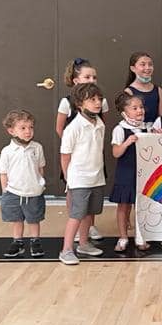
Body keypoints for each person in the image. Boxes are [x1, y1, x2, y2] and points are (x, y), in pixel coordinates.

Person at [56, 57, 107, 242]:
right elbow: (60, 129)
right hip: (76, 162)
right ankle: (72, 235)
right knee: (76, 198)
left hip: (93, 161)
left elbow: (102, 128)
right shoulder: (68, 105)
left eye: (94, 77)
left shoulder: (100, 108)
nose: (92, 80)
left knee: (91, 200)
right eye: (87, 77)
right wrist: (73, 149)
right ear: (76, 79)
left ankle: (88, 231)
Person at [0, 109, 46, 257]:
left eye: (31, 127)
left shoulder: (37, 148)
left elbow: (40, 167)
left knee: (34, 219)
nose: (28, 131)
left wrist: (40, 184)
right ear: (11, 131)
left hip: (34, 191)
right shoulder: (7, 151)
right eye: (23, 128)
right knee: (17, 219)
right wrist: (5, 190)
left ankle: (35, 241)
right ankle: (17, 242)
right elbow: (3, 172)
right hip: (14, 192)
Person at [110, 91, 149, 254]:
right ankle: (123, 237)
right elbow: (116, 153)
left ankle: (140, 236)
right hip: (126, 173)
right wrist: (127, 143)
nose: (140, 110)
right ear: (124, 112)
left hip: (142, 173)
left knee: (141, 205)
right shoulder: (120, 129)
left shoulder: (147, 127)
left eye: (141, 107)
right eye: (135, 108)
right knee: (124, 206)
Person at [124, 51, 162, 125]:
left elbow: (161, 117)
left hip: (155, 130)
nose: (147, 68)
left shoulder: (158, 90)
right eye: (143, 65)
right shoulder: (129, 92)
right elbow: (129, 119)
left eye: (150, 64)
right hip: (137, 130)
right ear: (133, 68)